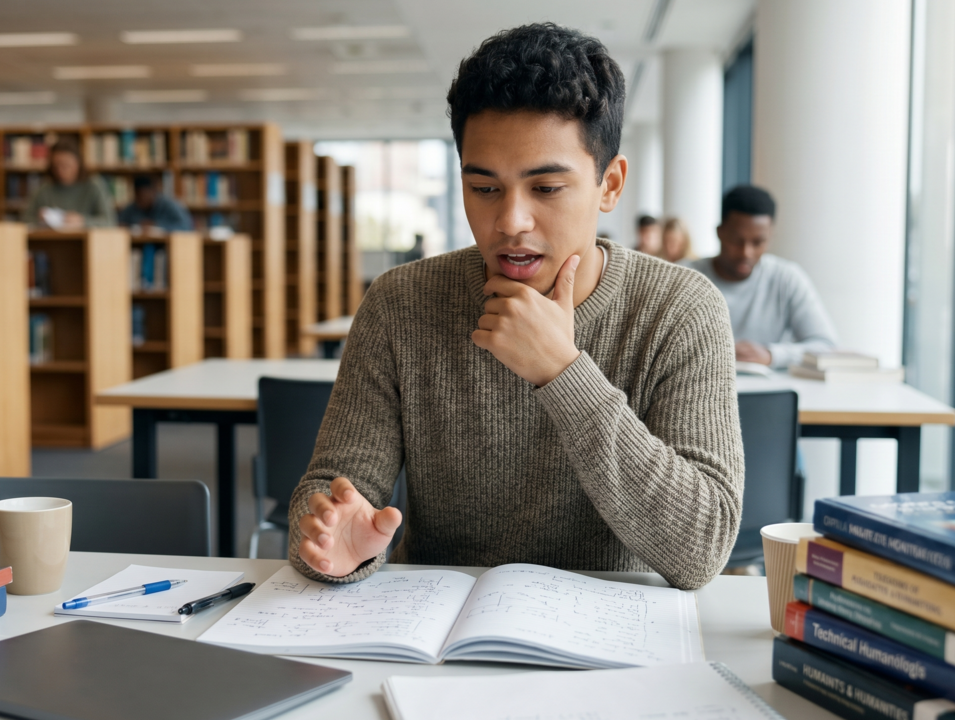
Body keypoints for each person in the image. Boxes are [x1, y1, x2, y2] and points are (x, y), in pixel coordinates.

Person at [289, 23, 742, 592]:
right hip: (436, 633)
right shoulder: (399, 303)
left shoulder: (681, 308)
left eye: (546, 188)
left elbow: (702, 549)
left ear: (610, 184)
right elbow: (328, 494)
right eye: (483, 189)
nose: (510, 223)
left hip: (611, 640)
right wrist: (333, 540)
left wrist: (563, 372)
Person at [685, 186, 836, 368]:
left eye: (758, 242)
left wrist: (771, 355)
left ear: (770, 237)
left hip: (767, 392)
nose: (746, 253)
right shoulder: (685, 277)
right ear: (719, 232)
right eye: (736, 240)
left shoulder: (786, 279)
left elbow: (827, 346)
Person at [22, 139, 115, 230]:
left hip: (86, 243)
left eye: (66, 165)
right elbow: (25, 221)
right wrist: (40, 221)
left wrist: (82, 221)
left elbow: (109, 222)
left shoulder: (94, 186)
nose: (60, 171)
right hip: (51, 243)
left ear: (78, 163)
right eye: (56, 166)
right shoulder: (44, 189)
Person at [117, 175, 194, 232]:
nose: (142, 199)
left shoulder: (169, 205)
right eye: (138, 196)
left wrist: (157, 225)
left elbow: (186, 226)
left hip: (165, 247)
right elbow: (120, 225)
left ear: (153, 192)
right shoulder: (132, 208)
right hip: (138, 247)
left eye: (144, 195)